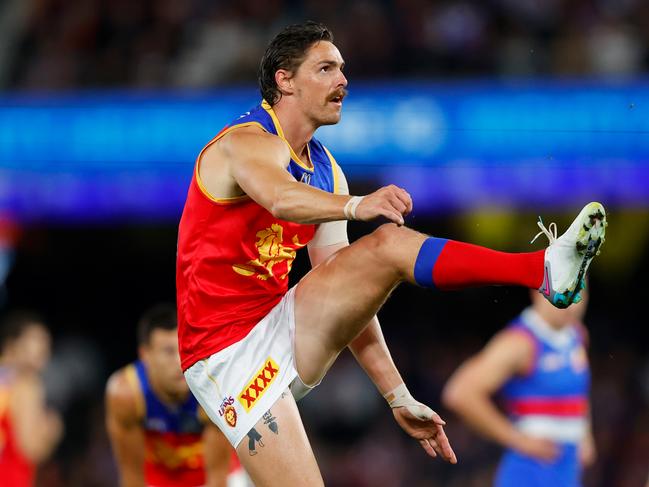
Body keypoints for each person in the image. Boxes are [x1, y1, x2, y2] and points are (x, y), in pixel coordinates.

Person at [176, 21, 606, 486]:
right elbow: (280, 198)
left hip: (282, 325)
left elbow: (351, 298)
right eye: (325, 68)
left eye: (342, 69)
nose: (342, 79)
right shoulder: (244, 142)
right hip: (224, 354)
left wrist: (397, 395)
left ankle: (541, 269)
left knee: (388, 246)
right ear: (285, 80)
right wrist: (359, 205)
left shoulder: (328, 171)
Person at [442, 289, 596, 486]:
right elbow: (460, 393)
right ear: (539, 290)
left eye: (579, 292)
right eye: (564, 290)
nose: (573, 303)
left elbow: (578, 388)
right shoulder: (520, 342)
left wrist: (584, 433)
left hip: (567, 469)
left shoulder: (577, 334)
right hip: (532, 471)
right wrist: (517, 439)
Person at [105, 304, 249, 487]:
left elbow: (217, 477)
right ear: (145, 355)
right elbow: (131, 476)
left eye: (183, 349)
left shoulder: (212, 387)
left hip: (214, 477)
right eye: (168, 351)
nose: (179, 361)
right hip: (158, 481)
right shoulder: (126, 395)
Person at [0, 310, 63, 487]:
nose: (43, 350)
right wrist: (51, 430)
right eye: (36, 341)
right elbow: (31, 448)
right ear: (11, 345)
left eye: (46, 343)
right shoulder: (27, 384)